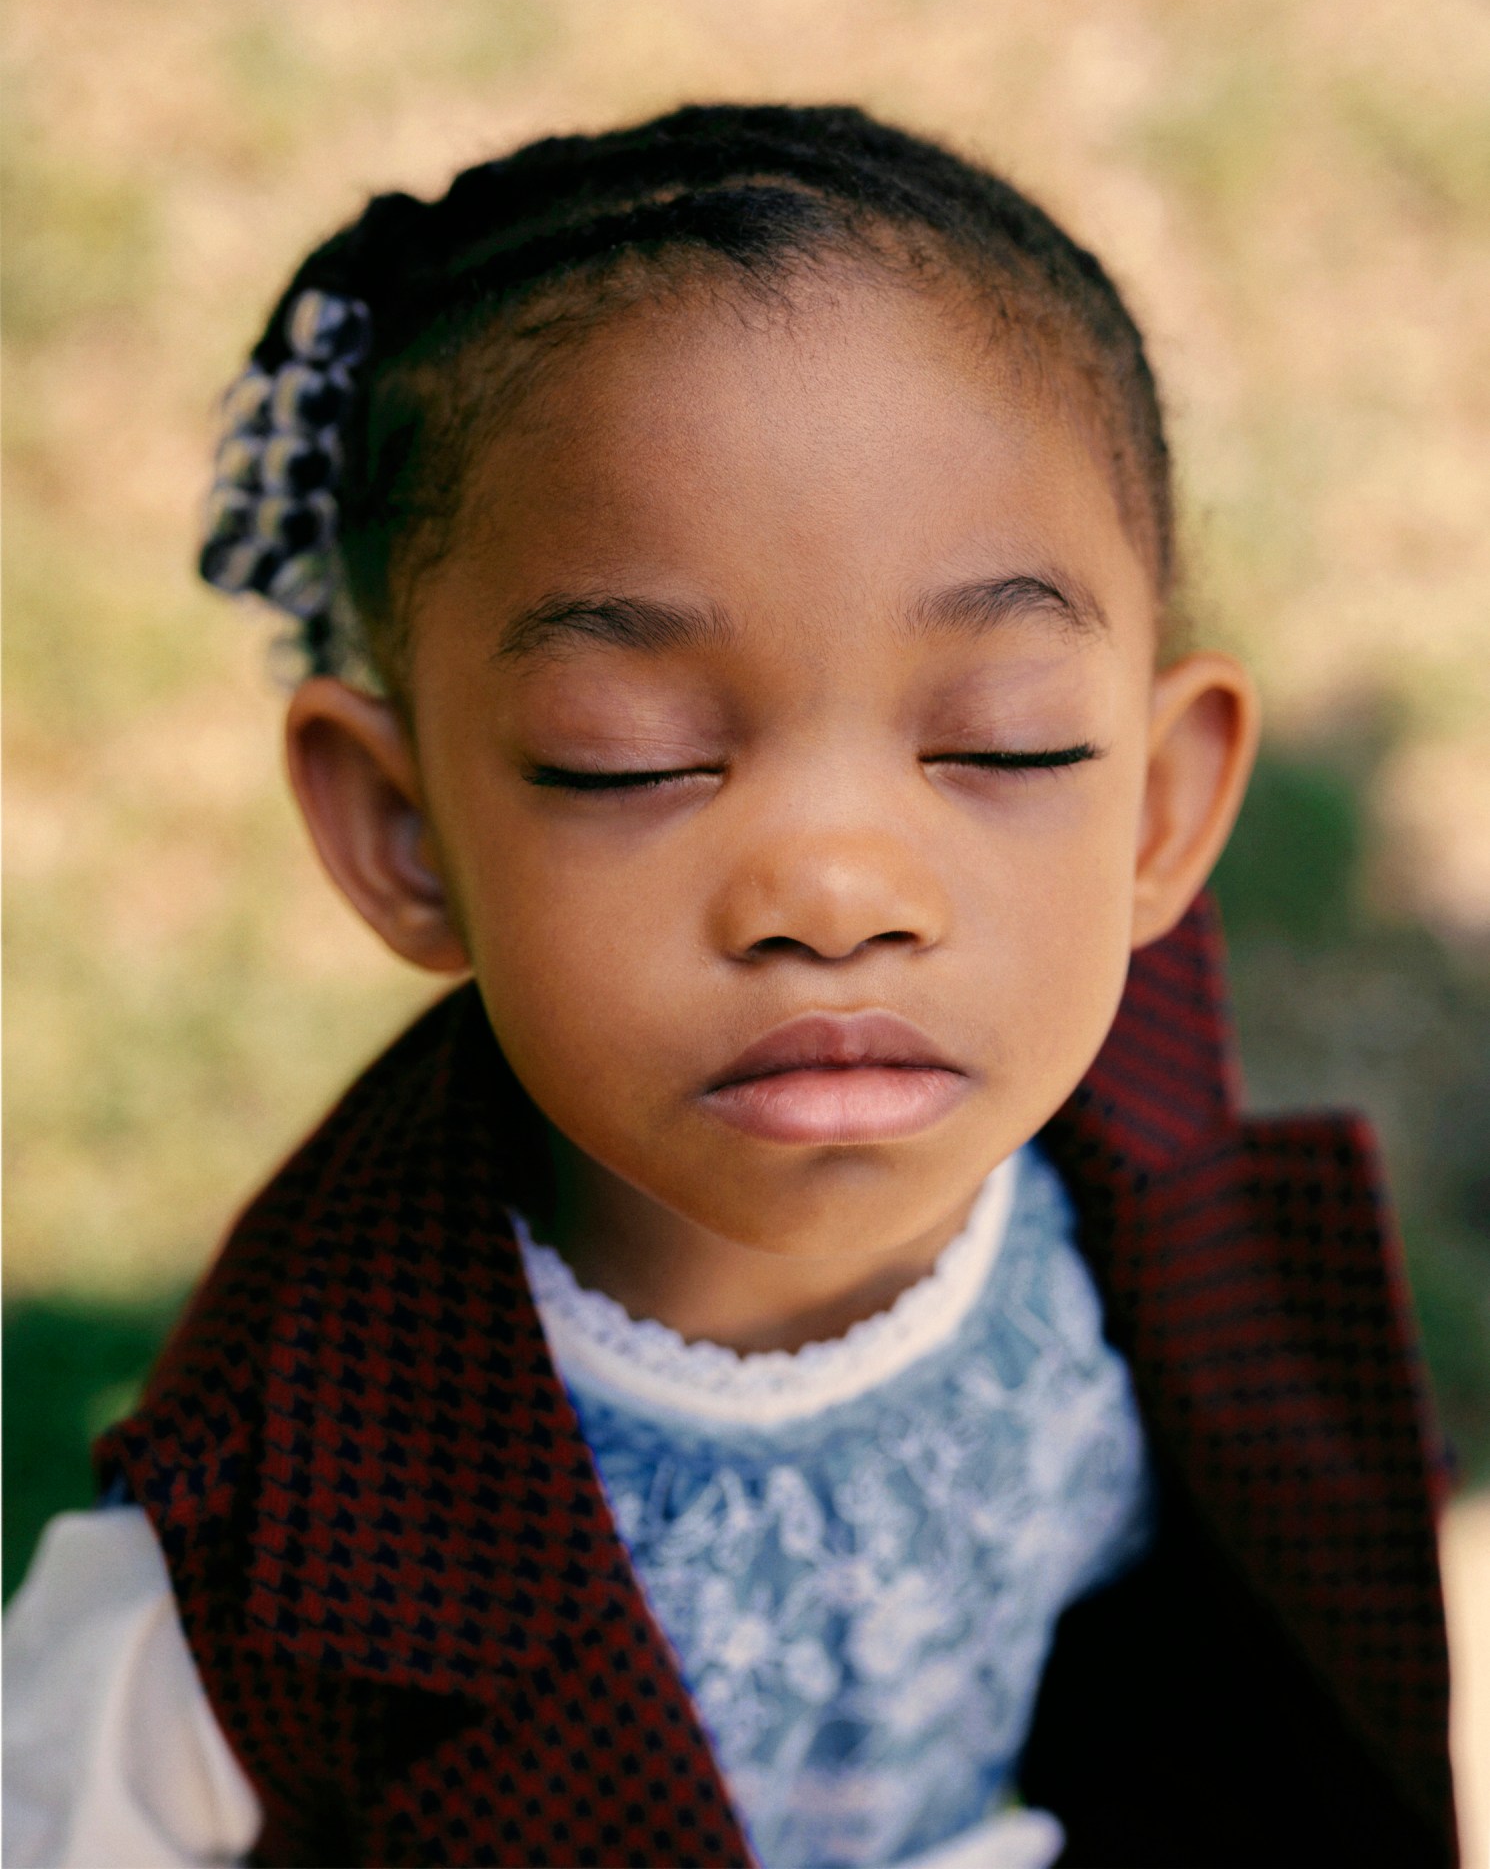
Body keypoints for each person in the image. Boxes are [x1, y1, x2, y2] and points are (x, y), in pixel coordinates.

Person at [3, 104, 1458, 1869]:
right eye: (631, 763)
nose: (834, 891)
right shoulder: (265, 1542)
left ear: (1154, 811)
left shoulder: (1139, 1175)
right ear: (403, 828)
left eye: (998, 743)